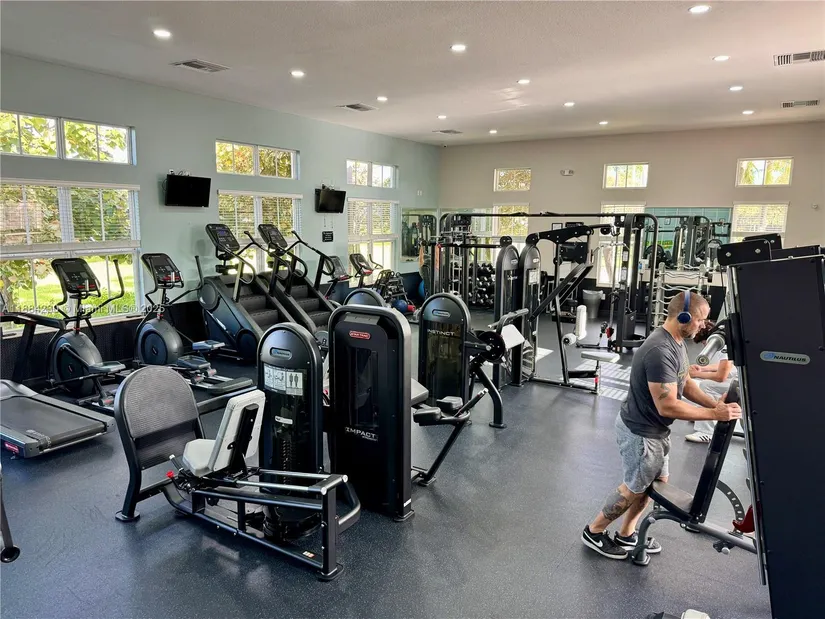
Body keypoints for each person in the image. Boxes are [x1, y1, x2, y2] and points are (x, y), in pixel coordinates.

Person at [581, 290, 742, 560]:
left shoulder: (677, 342)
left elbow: (685, 383)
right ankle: (594, 531)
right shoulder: (660, 350)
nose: (703, 325)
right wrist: (715, 414)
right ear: (683, 317)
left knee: (655, 484)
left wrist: (714, 404)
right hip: (640, 432)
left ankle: (626, 534)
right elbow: (667, 406)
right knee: (634, 488)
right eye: (700, 320)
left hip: (656, 430)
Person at [685, 321, 738, 443]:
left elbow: (721, 376)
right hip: (735, 378)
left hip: (740, 384)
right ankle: (702, 414)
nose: (704, 346)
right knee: (702, 380)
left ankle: (706, 432)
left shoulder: (723, 346)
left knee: (706, 385)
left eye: (704, 343)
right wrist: (702, 369)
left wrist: (696, 374)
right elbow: (724, 365)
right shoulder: (723, 341)